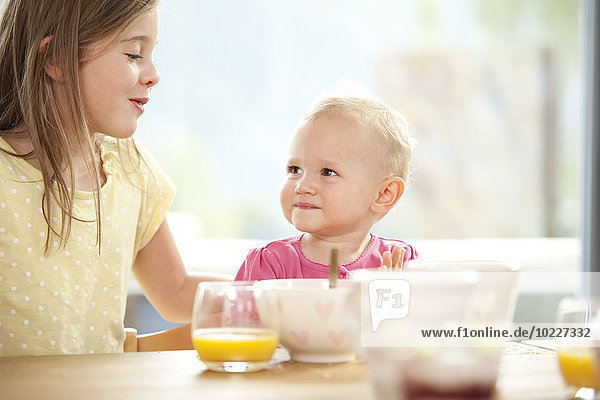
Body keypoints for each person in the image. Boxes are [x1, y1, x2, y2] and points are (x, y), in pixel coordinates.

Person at [0, 0, 228, 357]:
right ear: (57, 59)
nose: (153, 73)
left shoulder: (130, 167)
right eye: (135, 54)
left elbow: (177, 290)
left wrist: (272, 294)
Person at [235, 92, 419, 281]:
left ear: (384, 194)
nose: (302, 186)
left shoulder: (403, 263)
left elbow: (429, 310)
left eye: (327, 172)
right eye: (295, 169)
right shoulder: (269, 262)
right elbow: (241, 310)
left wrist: (389, 296)